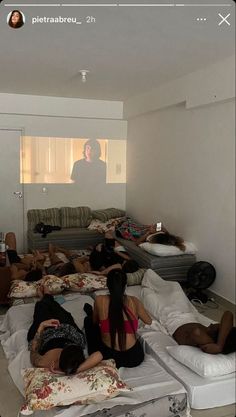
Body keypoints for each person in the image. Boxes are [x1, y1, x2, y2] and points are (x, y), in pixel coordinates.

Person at [84, 268, 152, 368]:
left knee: (88, 321)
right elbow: (149, 321)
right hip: (133, 357)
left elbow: (95, 322)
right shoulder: (135, 301)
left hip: (108, 355)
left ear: (107, 285)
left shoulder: (100, 300)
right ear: (125, 285)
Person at [27, 285, 102, 374]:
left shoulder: (46, 362)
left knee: (40, 306)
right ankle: (47, 297)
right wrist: (74, 370)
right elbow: (99, 355)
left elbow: (33, 351)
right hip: (68, 330)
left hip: (46, 333)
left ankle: (44, 298)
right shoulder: (75, 361)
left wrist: (41, 327)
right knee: (60, 310)